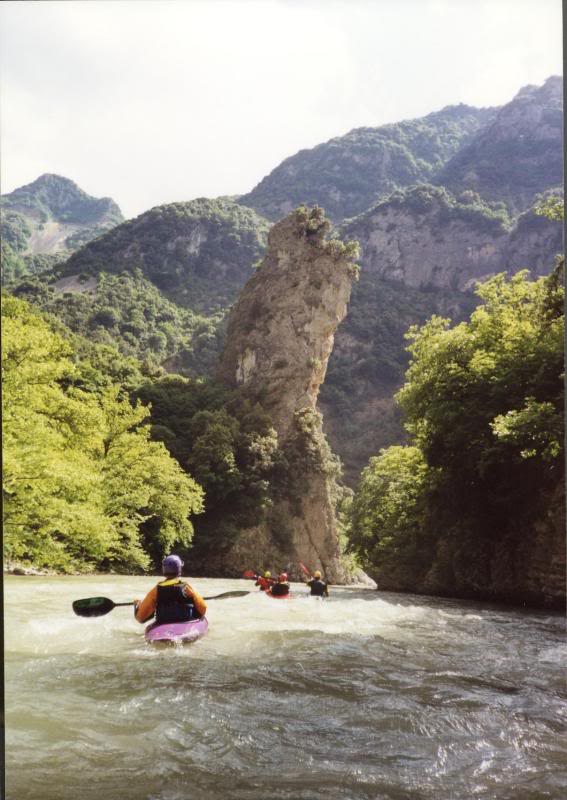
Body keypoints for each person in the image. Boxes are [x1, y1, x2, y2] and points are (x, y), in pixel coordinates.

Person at [133, 554, 207, 625]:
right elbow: (203, 609)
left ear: (164, 569)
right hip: (185, 621)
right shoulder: (186, 587)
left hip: (163, 622)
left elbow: (140, 617)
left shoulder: (156, 590)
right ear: (179, 569)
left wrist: (138, 606)